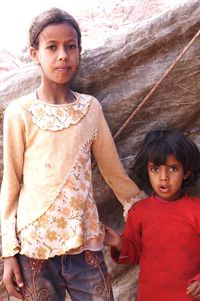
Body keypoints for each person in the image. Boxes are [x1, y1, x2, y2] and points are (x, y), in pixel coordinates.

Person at [0, 7, 145, 301]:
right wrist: (8, 253)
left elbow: (113, 171)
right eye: (51, 47)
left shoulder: (90, 109)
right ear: (34, 54)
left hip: (85, 244)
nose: (63, 55)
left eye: (71, 46)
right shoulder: (20, 112)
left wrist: (144, 212)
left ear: (79, 51)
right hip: (34, 248)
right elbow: (11, 183)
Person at [104, 128, 200, 301]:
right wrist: (118, 242)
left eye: (173, 169)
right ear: (147, 171)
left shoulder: (196, 210)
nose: (163, 177)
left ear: (186, 172)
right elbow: (133, 253)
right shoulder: (139, 212)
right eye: (155, 169)